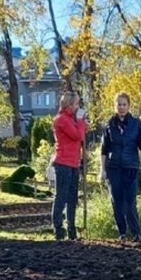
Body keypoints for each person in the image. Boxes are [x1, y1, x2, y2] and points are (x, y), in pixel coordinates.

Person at [100, 93, 141, 242]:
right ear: (115, 106)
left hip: (131, 167)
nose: (121, 107)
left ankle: (136, 233)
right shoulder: (109, 125)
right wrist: (102, 170)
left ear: (129, 106)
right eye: (119, 104)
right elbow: (104, 149)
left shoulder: (136, 124)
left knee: (130, 201)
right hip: (113, 168)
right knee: (117, 200)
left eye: (124, 104)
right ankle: (122, 233)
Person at [51, 93, 88, 240]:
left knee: (73, 197)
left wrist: (82, 124)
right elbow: (77, 136)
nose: (78, 106)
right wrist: (81, 122)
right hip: (63, 163)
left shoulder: (72, 120)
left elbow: (81, 136)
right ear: (69, 104)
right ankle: (58, 228)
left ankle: (72, 228)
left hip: (74, 163)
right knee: (61, 196)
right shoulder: (62, 120)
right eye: (76, 104)